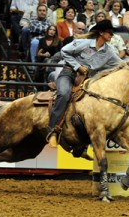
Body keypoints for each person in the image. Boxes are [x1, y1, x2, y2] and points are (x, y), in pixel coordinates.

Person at [46, 19, 123, 148]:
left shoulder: (109, 52)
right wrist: (78, 67)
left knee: (93, 104)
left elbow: (122, 64)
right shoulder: (84, 43)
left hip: (87, 81)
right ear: (101, 33)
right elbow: (64, 51)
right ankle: (52, 131)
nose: (112, 35)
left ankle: (81, 143)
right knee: (64, 94)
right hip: (69, 73)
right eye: (109, 32)